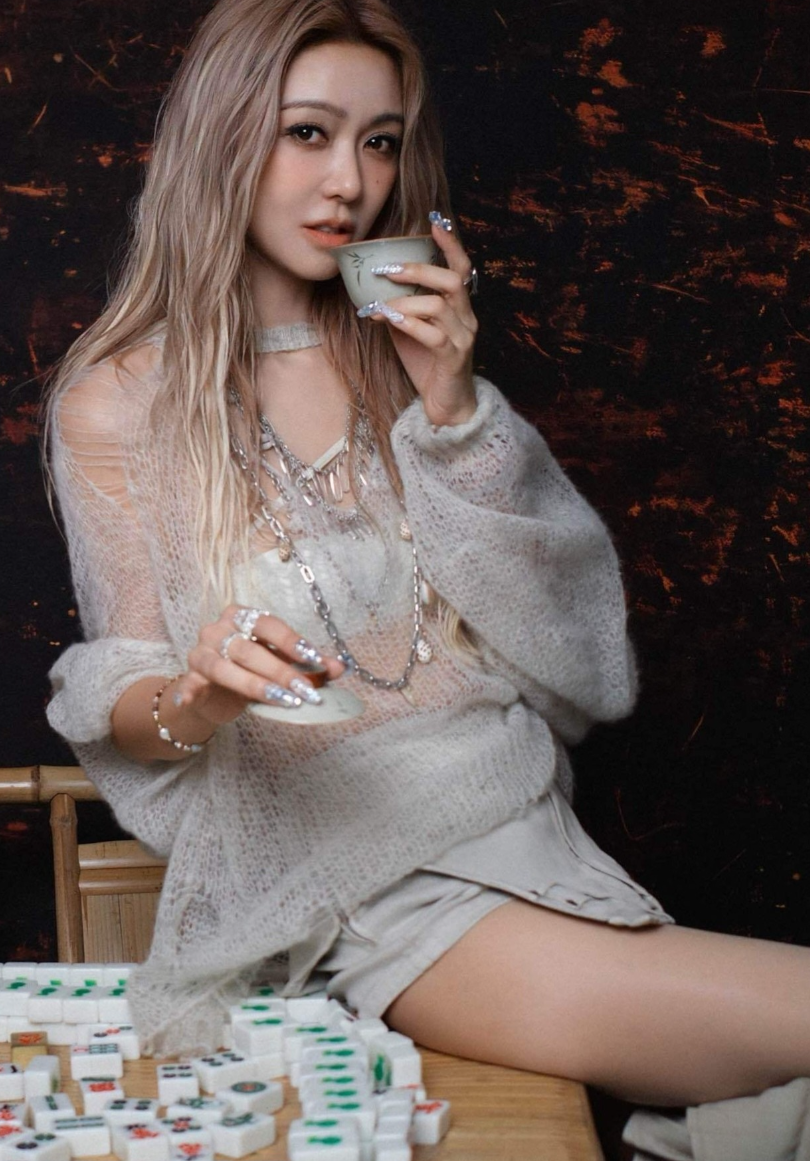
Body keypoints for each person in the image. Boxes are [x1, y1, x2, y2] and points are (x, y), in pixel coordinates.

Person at [45, 0, 810, 1128]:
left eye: (380, 141)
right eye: (308, 133)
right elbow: (124, 697)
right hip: (371, 897)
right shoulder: (120, 399)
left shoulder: (409, 357)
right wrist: (201, 693)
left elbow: (583, 665)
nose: (349, 183)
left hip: (531, 834)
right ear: (224, 136)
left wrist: (455, 412)